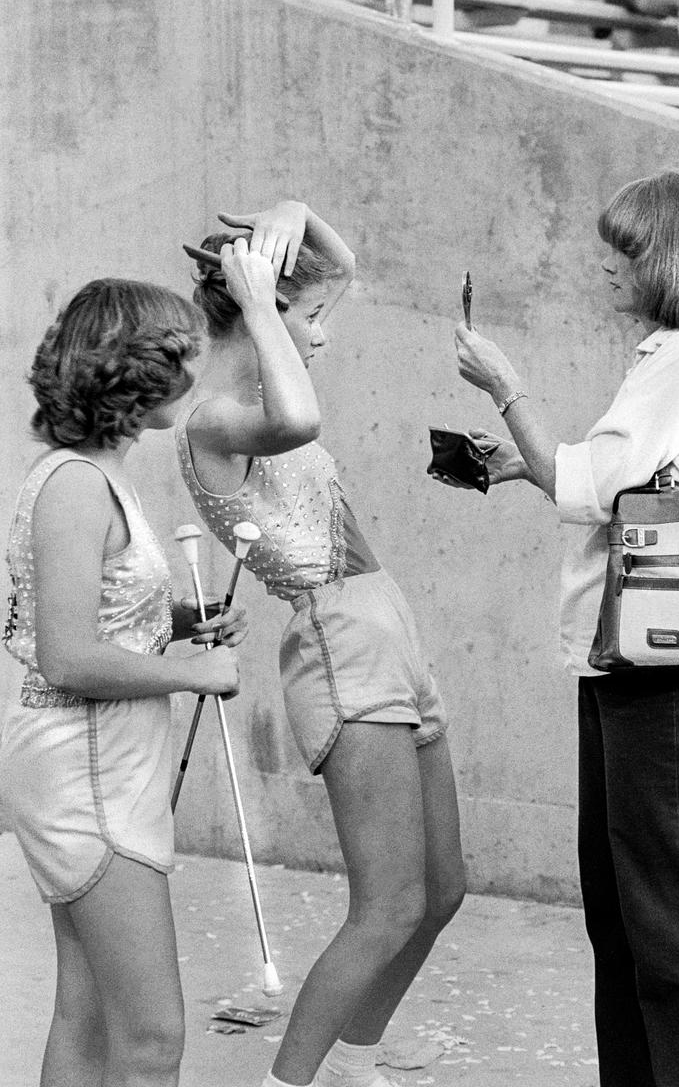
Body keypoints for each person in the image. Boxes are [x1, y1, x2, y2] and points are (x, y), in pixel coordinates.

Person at [436, 169, 679, 1087]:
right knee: (629, 909)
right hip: (635, 659)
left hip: (660, 667)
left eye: (622, 252)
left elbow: (588, 485)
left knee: (677, 918)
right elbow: (609, 479)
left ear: (665, 255)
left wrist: (510, 389)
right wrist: (526, 464)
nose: (606, 271)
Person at [176, 201, 466, 1087]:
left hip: (388, 626)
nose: (323, 339)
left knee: (442, 890)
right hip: (338, 637)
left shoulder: (265, 387)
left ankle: (351, 1064)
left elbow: (339, 266)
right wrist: (265, 307)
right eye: (311, 322)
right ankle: (287, 1083)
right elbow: (299, 425)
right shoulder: (214, 419)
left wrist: (295, 214)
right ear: (261, 309)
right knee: (387, 905)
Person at [0, 278, 246, 1087]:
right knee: (152, 1039)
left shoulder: (85, 476)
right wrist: (192, 672)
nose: (192, 377)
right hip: (89, 770)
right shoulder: (76, 484)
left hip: (92, 762)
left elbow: (82, 618)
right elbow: (65, 655)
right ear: (139, 372)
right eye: (181, 359)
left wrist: (176, 622)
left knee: (89, 1010)